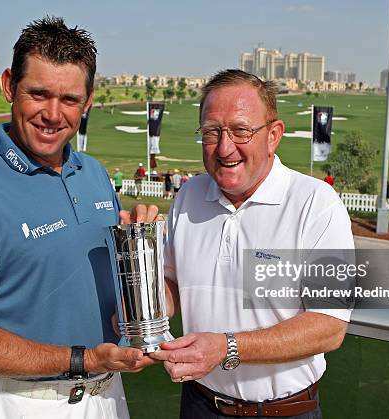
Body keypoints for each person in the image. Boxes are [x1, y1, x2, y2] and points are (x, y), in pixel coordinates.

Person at [0, 17, 158, 419]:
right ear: (8, 86)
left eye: (69, 99)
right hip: (23, 403)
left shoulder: (94, 173)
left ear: (88, 101)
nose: (53, 114)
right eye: (38, 94)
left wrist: (139, 277)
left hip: (108, 396)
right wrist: (84, 360)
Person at [150, 70, 353, 418]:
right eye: (212, 132)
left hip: (284, 411)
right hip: (200, 404)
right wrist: (138, 297)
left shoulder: (317, 204)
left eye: (241, 130)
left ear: (273, 135)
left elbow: (329, 327)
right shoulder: (189, 195)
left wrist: (227, 347)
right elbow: (171, 286)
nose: (225, 147)